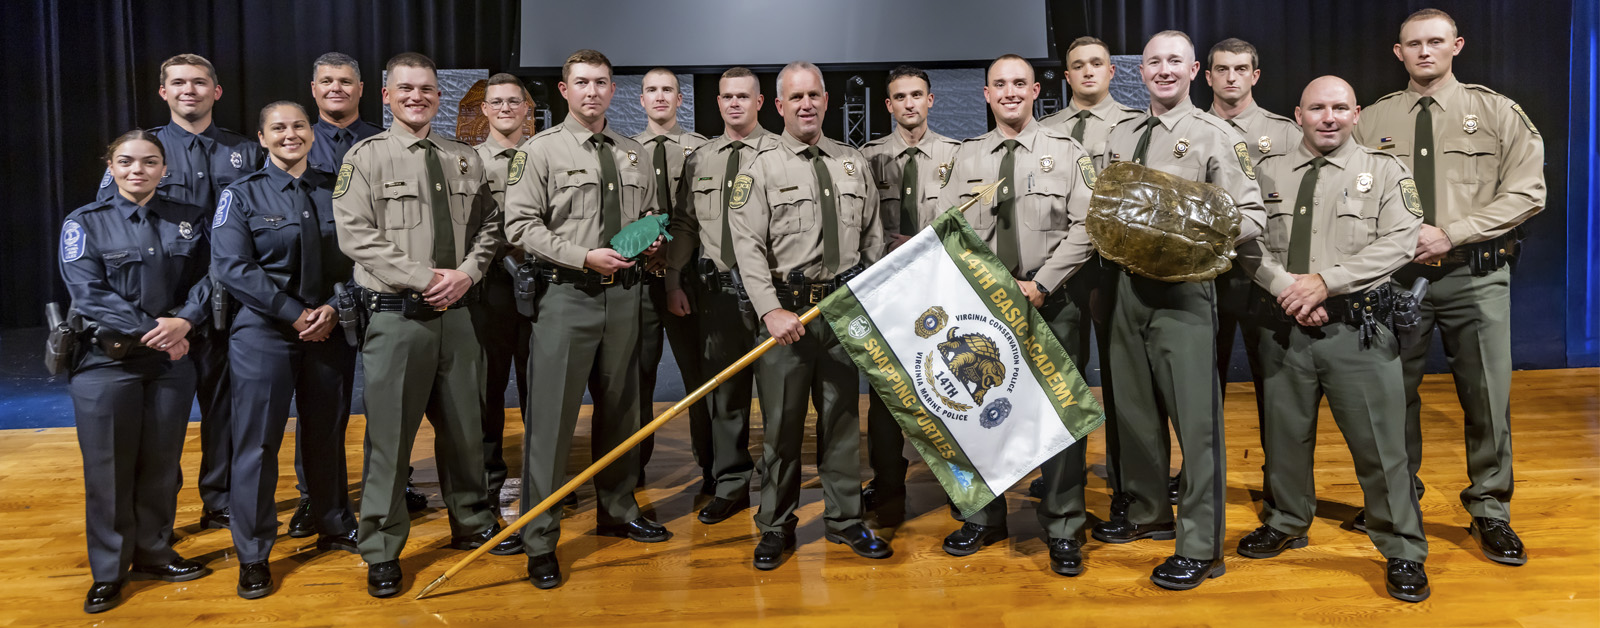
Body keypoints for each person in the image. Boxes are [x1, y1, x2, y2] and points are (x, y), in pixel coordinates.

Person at [1353, 8, 1545, 566]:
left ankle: (1490, 509)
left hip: (1474, 276)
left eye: (1436, 42)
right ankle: (1398, 497)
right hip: (1397, 281)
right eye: (1413, 44)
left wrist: (1451, 232)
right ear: (1399, 52)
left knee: (1486, 397)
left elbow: (1527, 192)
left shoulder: (1496, 112)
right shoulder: (1373, 120)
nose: (1425, 52)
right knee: (1392, 397)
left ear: (1457, 45)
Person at [1236, 75, 1432, 602]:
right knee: (1284, 437)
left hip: (1358, 330)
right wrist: (1289, 290)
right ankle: (1286, 520)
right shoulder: (1265, 171)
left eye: (1339, 108)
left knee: (1380, 447)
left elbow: (1401, 240)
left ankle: (1403, 549)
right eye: (1317, 108)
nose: (1328, 117)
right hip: (1284, 327)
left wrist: (1326, 283)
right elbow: (1248, 246)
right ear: (1297, 114)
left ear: (1356, 113)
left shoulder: (1386, 171)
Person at [332, 52, 520, 599]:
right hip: (397, 319)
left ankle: (473, 523)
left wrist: (466, 273)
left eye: (428, 89)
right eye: (406, 88)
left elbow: (491, 223)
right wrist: (423, 277)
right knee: (390, 443)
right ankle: (383, 548)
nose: (418, 96)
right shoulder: (365, 158)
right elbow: (355, 234)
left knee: (465, 431)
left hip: (458, 316)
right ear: (386, 96)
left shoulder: (464, 158)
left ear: (439, 96)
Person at [1091, 30, 1266, 591]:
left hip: (1183, 295)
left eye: (1175, 61)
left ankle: (1201, 547)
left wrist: (1193, 235)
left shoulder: (1214, 134)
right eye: (1153, 62)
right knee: (1134, 413)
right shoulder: (1120, 133)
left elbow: (1253, 216)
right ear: (1139, 70)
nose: (1163, 70)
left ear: (1195, 71)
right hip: (1123, 288)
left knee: (1198, 424)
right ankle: (1147, 513)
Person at [503, 49, 670, 591]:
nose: (592, 92)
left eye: (601, 82)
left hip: (624, 297)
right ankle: (540, 536)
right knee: (550, 424)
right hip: (566, 297)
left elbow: (646, 214)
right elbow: (521, 227)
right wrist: (582, 257)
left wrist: (650, 234)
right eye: (582, 83)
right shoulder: (539, 151)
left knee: (623, 411)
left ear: (613, 90)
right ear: (563, 89)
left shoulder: (632, 153)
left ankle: (618, 509)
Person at [935, 54, 1097, 576]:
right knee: (978, 410)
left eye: (1019, 84)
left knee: (1060, 417)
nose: (1009, 92)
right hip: (981, 314)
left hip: (1050, 304)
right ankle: (984, 517)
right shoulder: (967, 157)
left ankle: (1065, 523)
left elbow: (1087, 226)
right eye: (999, 85)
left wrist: (1042, 283)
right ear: (986, 95)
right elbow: (944, 227)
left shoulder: (1066, 151)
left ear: (1035, 92)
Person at [729, 60, 891, 570]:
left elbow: (872, 238)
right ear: (778, 106)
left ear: (826, 100)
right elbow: (747, 248)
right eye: (795, 97)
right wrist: (770, 310)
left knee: (843, 420)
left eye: (814, 95)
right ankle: (775, 525)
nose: (806, 104)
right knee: (781, 427)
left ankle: (844, 521)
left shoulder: (851, 162)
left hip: (841, 312)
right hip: (786, 315)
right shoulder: (758, 167)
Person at [96, 54, 264, 530]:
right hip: (158, 312)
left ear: (217, 92)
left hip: (229, 304)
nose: (189, 90)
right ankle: (155, 518)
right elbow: (110, 226)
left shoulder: (244, 152)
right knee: (158, 422)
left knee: (226, 409)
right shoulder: (140, 151)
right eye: (178, 83)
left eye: (199, 82)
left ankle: (220, 497)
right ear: (163, 92)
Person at [211, 101, 362, 599]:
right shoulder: (242, 194)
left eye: (299, 126)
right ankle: (253, 554)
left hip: (329, 326)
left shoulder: (338, 189)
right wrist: (293, 313)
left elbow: (360, 254)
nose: (291, 134)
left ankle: (334, 522)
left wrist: (336, 309)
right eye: (279, 127)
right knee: (257, 444)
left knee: (326, 434)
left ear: (311, 133)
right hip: (263, 332)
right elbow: (233, 266)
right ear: (261, 137)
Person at [64, 130, 215, 613]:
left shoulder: (190, 220)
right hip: (105, 364)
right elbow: (89, 293)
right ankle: (109, 570)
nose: (137, 170)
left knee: (160, 465)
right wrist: (159, 329)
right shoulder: (85, 222)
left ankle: (153, 551)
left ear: (164, 169)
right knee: (108, 469)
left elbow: (212, 277)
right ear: (110, 167)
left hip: (169, 365)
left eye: (149, 162)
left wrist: (186, 320)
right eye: (126, 162)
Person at [288, 50, 402, 540]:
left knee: (387, 401)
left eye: (346, 81)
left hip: (377, 286)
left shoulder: (386, 140)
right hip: (320, 297)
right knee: (323, 405)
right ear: (313, 89)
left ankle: (391, 485)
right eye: (327, 81)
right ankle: (316, 496)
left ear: (363, 89)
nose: (337, 88)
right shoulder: (295, 140)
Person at [1036, 35, 1148, 511]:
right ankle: (1062, 477)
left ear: (1111, 71)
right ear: (1066, 77)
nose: (1087, 71)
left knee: (1125, 380)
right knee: (1061, 378)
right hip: (1064, 272)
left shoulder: (1137, 125)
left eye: (1096, 63)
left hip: (1118, 270)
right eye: (1077, 65)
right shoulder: (1046, 131)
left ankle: (1128, 480)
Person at [663, 67, 775, 524]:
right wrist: (672, 279)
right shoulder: (702, 159)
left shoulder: (781, 151)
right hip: (719, 292)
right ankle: (730, 484)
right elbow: (687, 225)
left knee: (777, 397)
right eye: (727, 97)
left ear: (760, 103)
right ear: (718, 103)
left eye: (743, 97)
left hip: (772, 294)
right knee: (725, 397)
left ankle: (775, 484)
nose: (734, 104)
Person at [858, 64, 961, 526]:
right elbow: (856, 224)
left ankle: (961, 482)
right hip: (887, 293)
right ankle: (887, 482)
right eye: (899, 97)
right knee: (887, 395)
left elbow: (967, 224)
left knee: (951, 387)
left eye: (917, 95)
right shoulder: (866, 158)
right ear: (889, 105)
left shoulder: (959, 154)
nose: (909, 104)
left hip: (942, 289)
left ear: (930, 100)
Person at [1204, 36, 1304, 503]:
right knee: (1201, 391)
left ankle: (1280, 486)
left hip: (1266, 275)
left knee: (1278, 390)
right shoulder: (1187, 129)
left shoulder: (1285, 133)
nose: (1231, 78)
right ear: (1207, 76)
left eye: (1240, 69)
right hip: (1204, 278)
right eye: (1222, 69)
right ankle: (1202, 480)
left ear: (1255, 75)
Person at [632, 68, 710, 481]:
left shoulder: (703, 150)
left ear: (681, 100)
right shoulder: (624, 151)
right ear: (640, 99)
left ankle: (711, 466)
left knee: (700, 375)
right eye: (651, 90)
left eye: (668, 90)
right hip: (640, 280)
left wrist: (676, 261)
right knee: (637, 378)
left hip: (690, 278)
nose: (659, 97)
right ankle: (634, 468)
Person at [473, 73, 536, 512]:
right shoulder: (469, 161)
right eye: (497, 102)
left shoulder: (544, 155)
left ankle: (542, 479)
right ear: (485, 109)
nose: (505, 109)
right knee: (488, 388)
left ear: (526, 108)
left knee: (541, 388)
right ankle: (489, 480)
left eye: (514, 102)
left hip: (541, 280)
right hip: (491, 285)